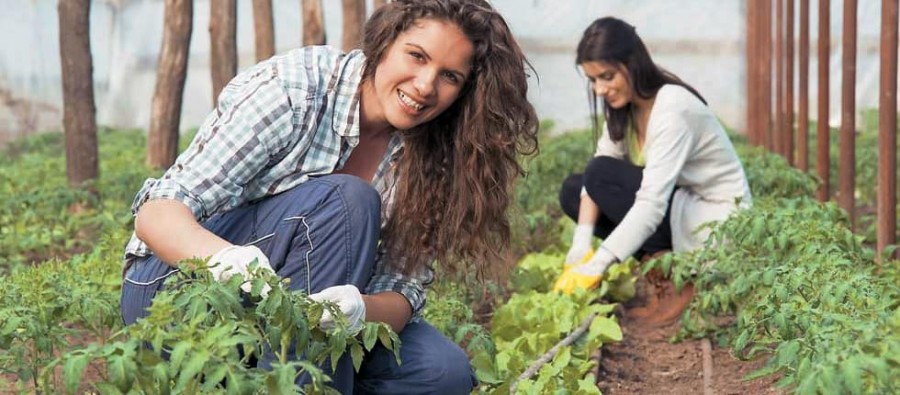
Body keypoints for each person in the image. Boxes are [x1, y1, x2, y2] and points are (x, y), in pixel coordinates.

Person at [120, 0, 538, 393]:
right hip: (178, 293)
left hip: (289, 317)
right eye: (416, 56)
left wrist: (358, 310)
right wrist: (226, 260)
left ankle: (285, 375)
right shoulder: (296, 87)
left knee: (441, 372)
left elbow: (402, 289)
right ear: (385, 41)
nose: (426, 85)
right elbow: (158, 213)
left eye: (450, 77)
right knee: (346, 200)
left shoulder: (437, 154)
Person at [552, 17, 751, 325]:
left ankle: (679, 280)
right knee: (574, 190)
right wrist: (582, 240)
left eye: (607, 76)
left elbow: (651, 202)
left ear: (632, 63)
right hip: (679, 207)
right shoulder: (625, 107)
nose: (600, 89)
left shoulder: (672, 108)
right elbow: (597, 171)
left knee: (601, 175)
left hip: (713, 220)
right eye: (592, 80)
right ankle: (660, 270)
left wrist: (600, 262)